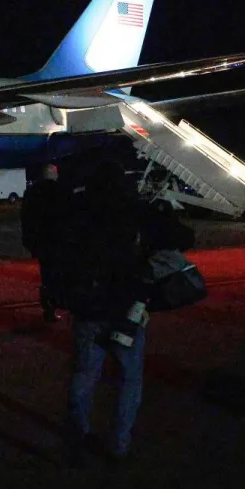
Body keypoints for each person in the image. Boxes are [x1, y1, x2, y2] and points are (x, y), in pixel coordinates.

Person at [55, 159, 147, 464]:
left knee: (84, 374)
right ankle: (120, 443)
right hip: (125, 307)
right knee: (130, 378)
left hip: (90, 305)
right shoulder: (132, 212)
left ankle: (78, 434)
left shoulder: (79, 214)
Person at [21, 163, 68, 322]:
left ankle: (49, 307)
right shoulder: (60, 191)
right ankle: (55, 305)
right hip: (58, 241)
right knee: (57, 274)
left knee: (47, 274)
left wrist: (29, 240)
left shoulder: (32, 192)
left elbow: (26, 218)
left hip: (41, 241)